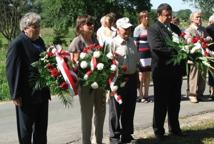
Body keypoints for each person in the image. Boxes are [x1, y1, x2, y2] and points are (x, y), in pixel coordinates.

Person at [6, 12, 50, 144]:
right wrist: (15, 94)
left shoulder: (40, 41)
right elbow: (11, 70)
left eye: (38, 26)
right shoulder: (17, 43)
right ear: (25, 28)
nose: (37, 29)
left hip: (42, 92)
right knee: (26, 132)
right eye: (34, 26)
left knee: (41, 130)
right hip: (26, 95)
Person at [147, 3, 186, 142]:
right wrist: (176, 52)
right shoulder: (153, 29)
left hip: (175, 71)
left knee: (175, 102)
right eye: (166, 15)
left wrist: (185, 49)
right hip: (162, 71)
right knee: (161, 103)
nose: (169, 17)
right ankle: (159, 131)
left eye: (170, 14)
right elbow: (157, 47)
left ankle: (175, 128)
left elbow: (183, 42)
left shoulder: (175, 28)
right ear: (159, 15)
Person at [68, 15, 106, 144]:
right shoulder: (76, 42)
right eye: (88, 24)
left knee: (101, 112)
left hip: (99, 83)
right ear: (80, 27)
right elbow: (72, 66)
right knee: (87, 116)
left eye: (92, 23)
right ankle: (86, 142)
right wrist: (76, 62)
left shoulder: (96, 39)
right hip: (85, 85)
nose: (92, 26)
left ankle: (98, 141)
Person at [109, 17, 138, 143]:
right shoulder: (113, 43)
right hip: (118, 79)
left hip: (132, 78)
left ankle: (127, 135)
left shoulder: (132, 41)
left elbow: (135, 61)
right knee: (116, 110)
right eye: (125, 29)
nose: (128, 31)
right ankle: (114, 138)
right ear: (118, 29)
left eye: (129, 28)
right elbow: (107, 64)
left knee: (129, 108)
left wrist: (137, 78)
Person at [185, 12, 212, 103]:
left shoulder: (203, 29)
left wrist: (204, 40)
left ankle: (200, 94)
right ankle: (192, 94)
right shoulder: (189, 30)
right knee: (194, 76)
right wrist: (193, 41)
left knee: (202, 75)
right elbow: (188, 41)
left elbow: (210, 38)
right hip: (194, 56)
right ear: (192, 19)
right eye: (197, 17)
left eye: (200, 17)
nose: (199, 19)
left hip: (204, 55)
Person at [133, 10, 152, 103]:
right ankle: (140, 95)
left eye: (148, 16)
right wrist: (136, 56)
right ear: (141, 18)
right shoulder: (137, 29)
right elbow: (135, 43)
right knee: (141, 75)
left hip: (149, 54)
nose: (147, 18)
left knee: (148, 75)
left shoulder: (150, 28)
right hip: (141, 54)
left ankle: (146, 94)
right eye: (145, 17)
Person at [206, 14, 214, 99]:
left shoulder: (207, 28)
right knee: (212, 73)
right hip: (211, 52)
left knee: (211, 73)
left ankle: (211, 90)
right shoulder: (209, 28)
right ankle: (212, 91)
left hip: (210, 52)